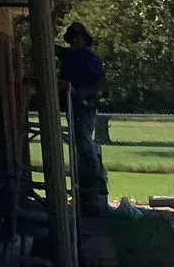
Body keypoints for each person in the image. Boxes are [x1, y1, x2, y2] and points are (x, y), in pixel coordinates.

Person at [56, 23, 107, 213]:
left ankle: (96, 183)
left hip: (85, 107)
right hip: (72, 106)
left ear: (85, 40)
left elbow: (100, 82)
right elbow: (53, 49)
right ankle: (85, 187)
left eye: (79, 37)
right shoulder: (69, 56)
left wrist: (84, 93)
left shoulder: (90, 58)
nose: (76, 40)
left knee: (84, 143)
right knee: (79, 145)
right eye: (73, 37)